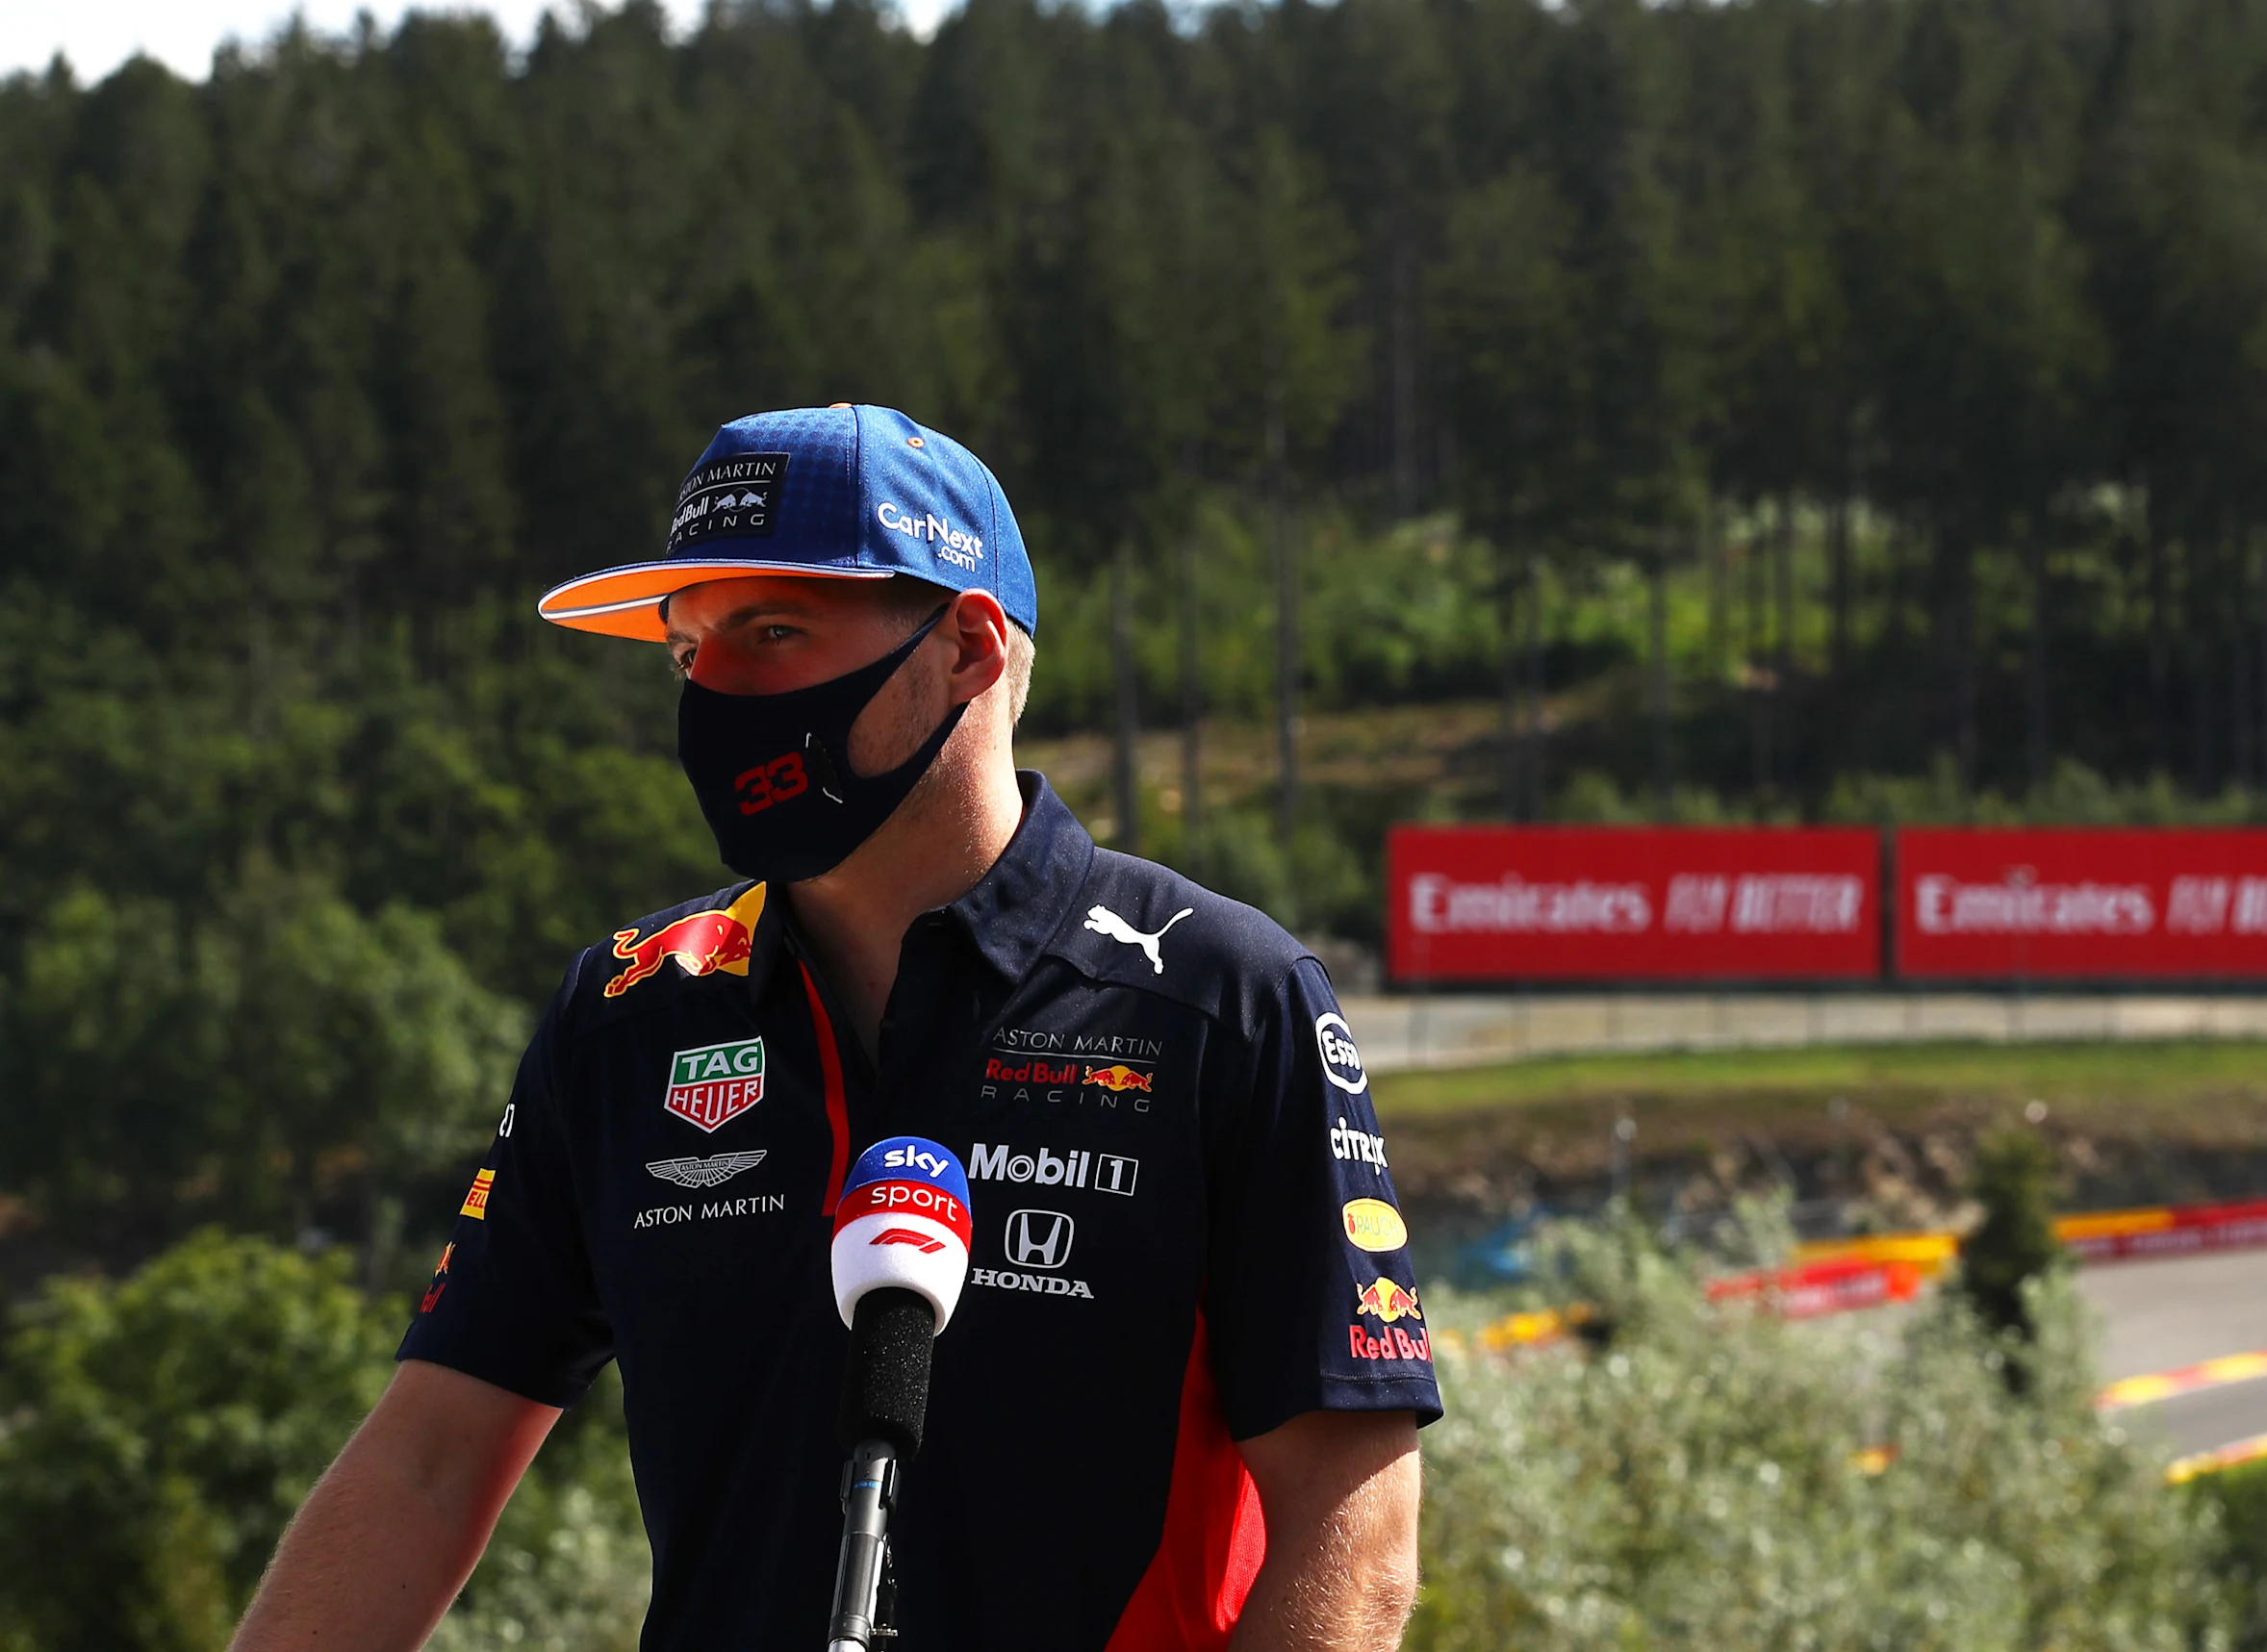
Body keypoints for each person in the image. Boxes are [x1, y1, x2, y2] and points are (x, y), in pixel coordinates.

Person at [229, 404, 1435, 1652]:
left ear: (966, 648)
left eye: (771, 633)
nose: (712, 692)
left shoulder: (1223, 998)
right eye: (686, 650)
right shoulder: (629, 1015)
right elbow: (429, 1461)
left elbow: (1354, 1538)